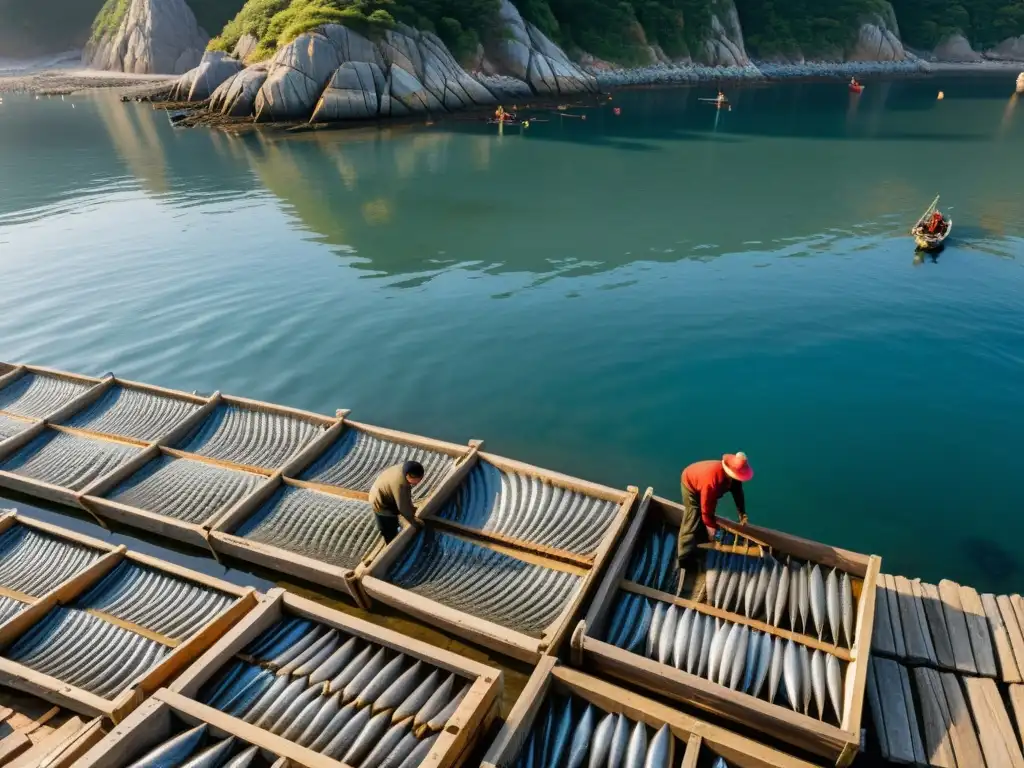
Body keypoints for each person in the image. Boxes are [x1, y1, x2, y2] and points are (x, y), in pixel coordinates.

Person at [677, 452, 753, 570]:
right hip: (690, 485)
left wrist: (742, 514)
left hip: (703, 487)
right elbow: (706, 508)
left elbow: (738, 494)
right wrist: (711, 527)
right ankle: (684, 558)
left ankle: (701, 538)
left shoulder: (734, 479)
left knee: (705, 518)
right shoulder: (712, 481)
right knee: (692, 517)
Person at [368, 460, 424, 543]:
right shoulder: (400, 485)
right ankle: (390, 543)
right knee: (389, 528)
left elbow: (405, 498)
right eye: (416, 480)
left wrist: (411, 508)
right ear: (408, 476)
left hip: (383, 493)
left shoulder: (404, 468)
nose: (418, 483)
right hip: (381, 503)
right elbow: (403, 508)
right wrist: (415, 523)